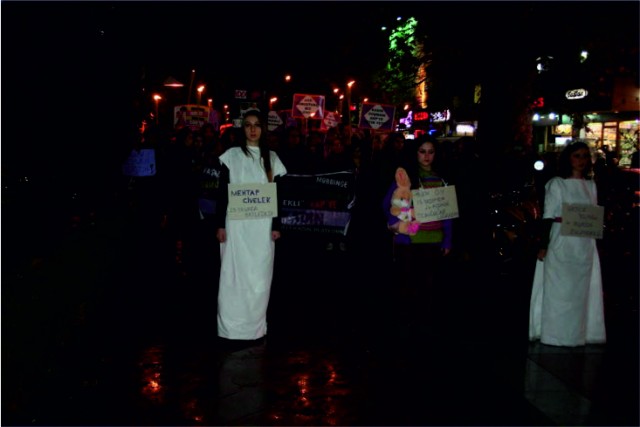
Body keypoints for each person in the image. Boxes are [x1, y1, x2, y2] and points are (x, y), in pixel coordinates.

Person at [215, 109, 287, 346]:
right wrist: (219, 225)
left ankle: (255, 327)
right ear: (242, 128)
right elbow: (222, 193)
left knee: (259, 276)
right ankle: (230, 327)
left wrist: (276, 225)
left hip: (262, 227)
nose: (253, 129)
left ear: (263, 129)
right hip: (236, 226)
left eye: (257, 125)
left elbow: (277, 194)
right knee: (233, 275)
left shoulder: (272, 158)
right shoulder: (231, 156)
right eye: (248, 125)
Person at [529, 141, 606, 347]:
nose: (581, 161)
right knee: (560, 289)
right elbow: (548, 216)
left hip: (584, 245)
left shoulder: (591, 186)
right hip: (562, 242)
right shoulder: (557, 184)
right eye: (576, 156)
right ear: (568, 159)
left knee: (580, 290)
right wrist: (544, 244)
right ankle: (556, 333)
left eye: (584, 156)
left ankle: (578, 332)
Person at [382, 135, 453, 329]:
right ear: (415, 153)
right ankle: (407, 323)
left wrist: (447, 240)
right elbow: (388, 204)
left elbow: (446, 212)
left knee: (429, 285)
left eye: (431, 152)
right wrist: (397, 225)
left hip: (433, 241)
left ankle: (425, 323)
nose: (427, 156)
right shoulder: (407, 177)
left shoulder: (442, 178)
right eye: (422, 151)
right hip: (410, 241)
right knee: (408, 284)